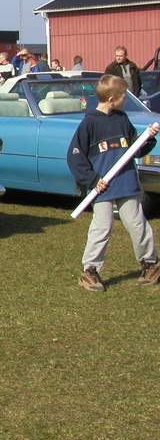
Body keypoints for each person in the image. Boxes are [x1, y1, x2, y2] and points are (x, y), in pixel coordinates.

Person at [67, 74, 160, 292]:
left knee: (137, 224)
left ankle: (150, 265)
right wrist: (92, 180)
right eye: (122, 97)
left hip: (126, 181)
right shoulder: (89, 123)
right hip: (103, 186)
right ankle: (90, 271)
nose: (124, 101)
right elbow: (75, 157)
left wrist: (148, 138)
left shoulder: (121, 119)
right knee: (102, 227)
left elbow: (134, 150)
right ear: (111, 98)